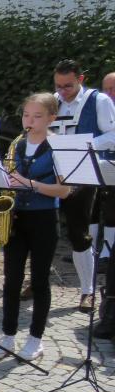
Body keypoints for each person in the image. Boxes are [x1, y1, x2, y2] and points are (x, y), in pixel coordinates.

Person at [0, 94, 69, 362]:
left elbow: (64, 191)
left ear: (52, 118)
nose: (29, 121)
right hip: (17, 217)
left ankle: (35, 338)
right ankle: (7, 335)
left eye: (37, 116)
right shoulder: (17, 144)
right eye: (26, 115)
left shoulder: (59, 147)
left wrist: (29, 184)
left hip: (44, 218)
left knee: (40, 280)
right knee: (11, 279)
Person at [51, 59, 115, 312]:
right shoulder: (53, 100)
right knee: (42, 229)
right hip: (52, 172)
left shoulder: (99, 101)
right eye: (58, 86)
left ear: (81, 79)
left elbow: (113, 135)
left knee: (79, 233)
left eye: (67, 86)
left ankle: (87, 291)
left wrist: (85, 146)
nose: (62, 91)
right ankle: (36, 281)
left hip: (83, 171)